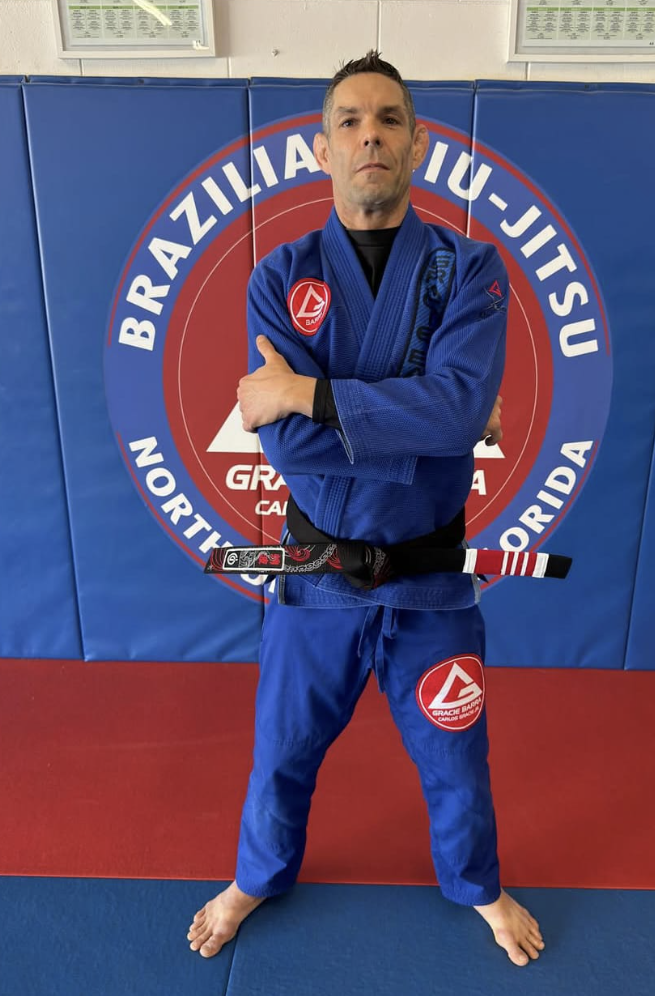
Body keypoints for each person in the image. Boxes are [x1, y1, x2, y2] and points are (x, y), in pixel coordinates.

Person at [187, 52, 544, 968]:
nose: (370, 135)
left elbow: (449, 409)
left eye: (388, 119)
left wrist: (311, 394)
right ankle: (254, 879)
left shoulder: (472, 270)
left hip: (431, 582)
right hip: (317, 579)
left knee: (457, 760)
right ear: (323, 148)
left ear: (418, 145)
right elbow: (295, 452)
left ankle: (479, 886)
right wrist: (435, 423)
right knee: (281, 751)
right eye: (349, 121)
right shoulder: (281, 275)